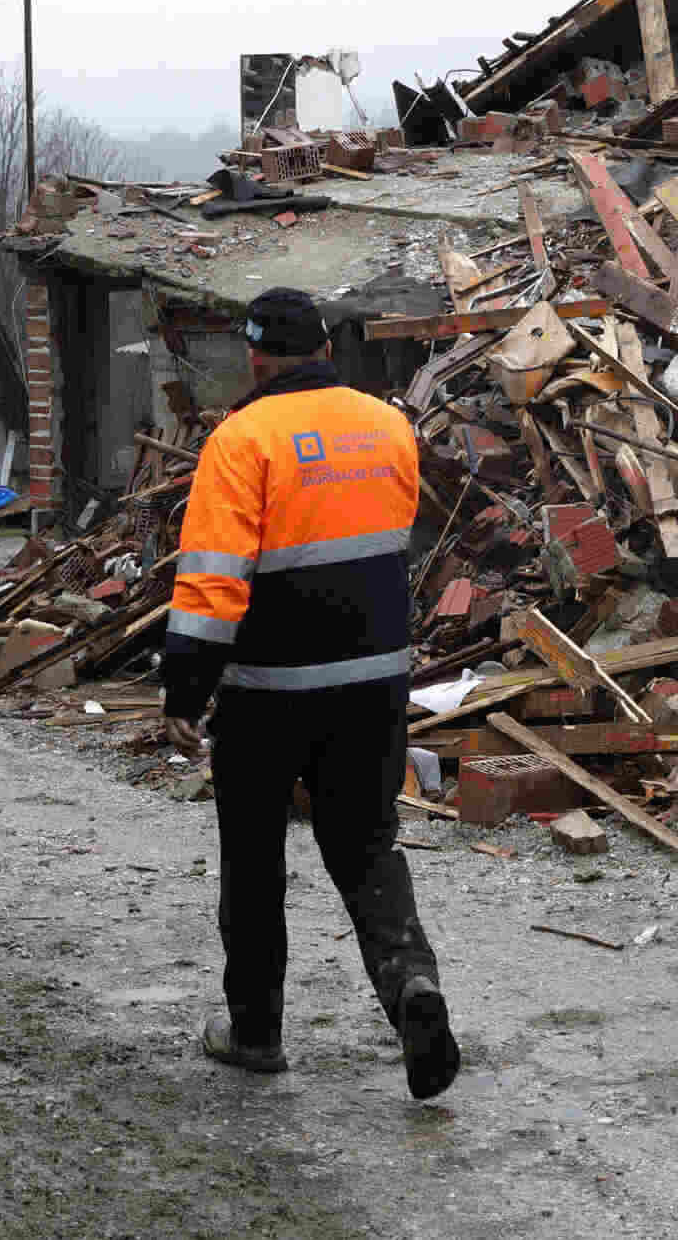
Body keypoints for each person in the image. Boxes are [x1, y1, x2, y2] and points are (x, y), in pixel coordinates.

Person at [161, 286, 459, 1097]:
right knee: (366, 846)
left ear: (257, 357)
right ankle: (411, 984)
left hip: (268, 693)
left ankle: (256, 1032)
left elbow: (213, 586)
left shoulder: (241, 439)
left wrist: (184, 692)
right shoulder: (389, 426)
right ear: (327, 349)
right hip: (374, 683)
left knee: (254, 857)